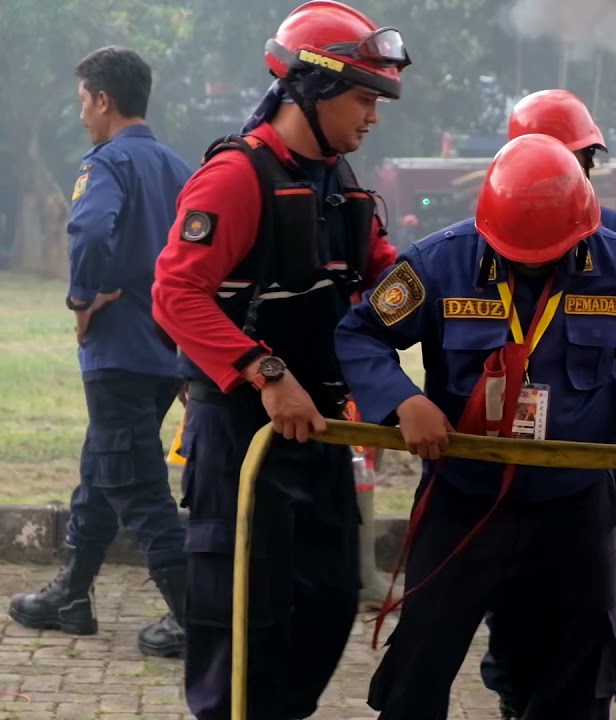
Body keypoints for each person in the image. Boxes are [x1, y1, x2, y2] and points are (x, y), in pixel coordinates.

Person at [333, 133, 616, 720]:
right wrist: (402, 401)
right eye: (518, 255)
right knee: (423, 649)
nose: (533, 263)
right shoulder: (437, 263)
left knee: (584, 653)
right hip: (466, 495)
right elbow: (359, 335)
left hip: (575, 497)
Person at [150, 2, 406, 717]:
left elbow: (386, 276)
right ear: (312, 89)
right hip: (244, 437)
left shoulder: (341, 181)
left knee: (326, 607)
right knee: (242, 625)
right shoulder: (236, 177)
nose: (373, 116)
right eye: (363, 98)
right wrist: (265, 374)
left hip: (320, 432)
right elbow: (175, 294)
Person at [479, 88, 616, 720]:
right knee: (513, 590)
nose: (582, 181)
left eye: (586, 165)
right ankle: (516, 696)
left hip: (604, 445)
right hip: (508, 453)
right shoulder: (483, 233)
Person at [7, 46, 192, 660]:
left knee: (137, 485)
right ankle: (72, 594)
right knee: (102, 467)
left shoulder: (107, 162)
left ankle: (198, 616)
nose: (82, 114)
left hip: (118, 349)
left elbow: (88, 229)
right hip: (166, 352)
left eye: (84, 101)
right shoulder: (179, 167)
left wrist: (83, 297)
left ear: (104, 100)